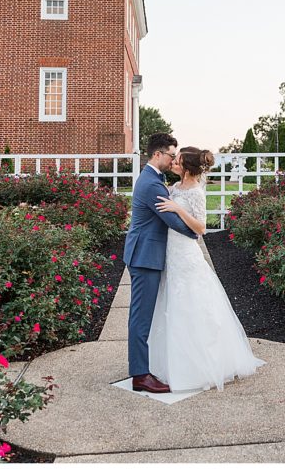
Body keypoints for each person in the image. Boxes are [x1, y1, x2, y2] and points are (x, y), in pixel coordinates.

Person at [148, 146, 266, 392]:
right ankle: (175, 361)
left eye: (178, 161)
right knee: (173, 305)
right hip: (172, 254)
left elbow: (200, 228)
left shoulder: (195, 193)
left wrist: (178, 209)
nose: (174, 164)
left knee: (194, 305)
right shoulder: (174, 188)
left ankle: (203, 365)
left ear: (188, 167)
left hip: (187, 255)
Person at [123, 133, 199, 394]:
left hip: (146, 253)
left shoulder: (153, 178)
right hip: (145, 256)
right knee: (141, 317)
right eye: (170, 155)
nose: (172, 160)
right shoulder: (152, 184)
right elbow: (173, 222)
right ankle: (140, 375)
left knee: (145, 315)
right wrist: (194, 232)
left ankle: (143, 366)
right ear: (158, 154)